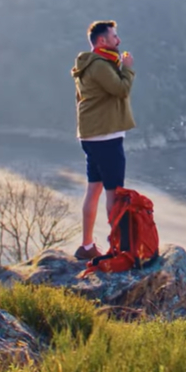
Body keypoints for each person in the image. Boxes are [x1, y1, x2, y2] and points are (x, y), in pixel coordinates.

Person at [71, 20, 135, 260]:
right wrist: (127, 69)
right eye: (114, 36)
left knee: (94, 189)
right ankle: (118, 249)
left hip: (91, 135)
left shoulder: (88, 65)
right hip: (106, 136)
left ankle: (87, 246)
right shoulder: (99, 65)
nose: (118, 41)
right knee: (114, 193)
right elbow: (121, 89)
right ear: (102, 40)